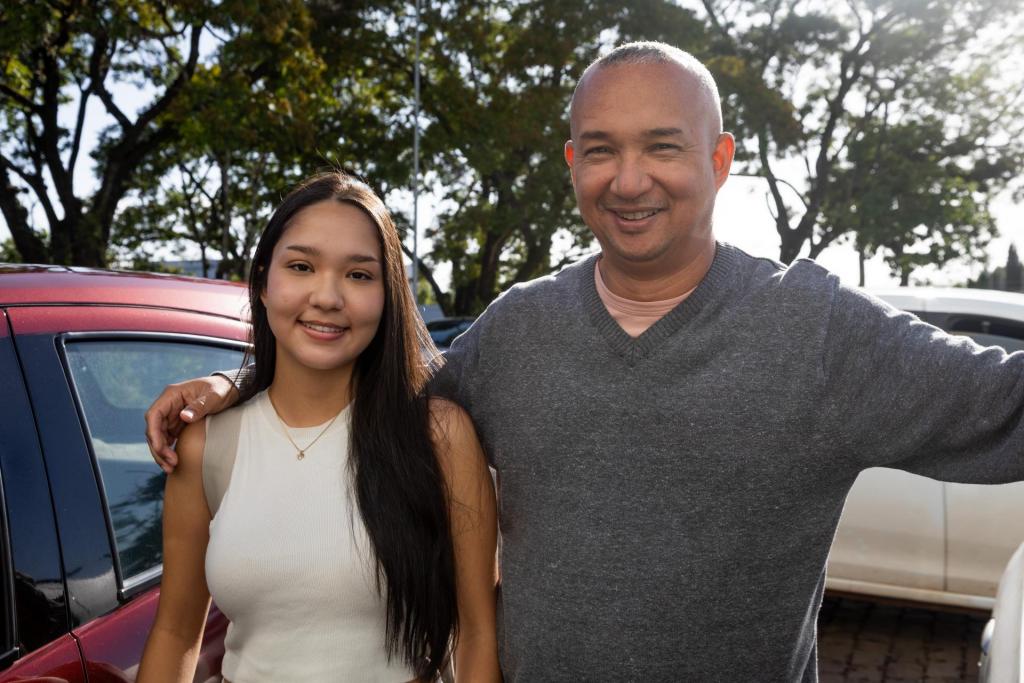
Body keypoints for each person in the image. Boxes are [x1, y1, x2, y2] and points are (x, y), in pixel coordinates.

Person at [144, 43, 1024, 681]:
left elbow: (1005, 407)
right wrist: (236, 386)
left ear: (720, 161)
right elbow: (375, 391)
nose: (628, 177)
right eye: (601, 148)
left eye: (663, 145)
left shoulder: (818, 330)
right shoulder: (518, 329)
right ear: (573, 165)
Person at [137, 172, 499, 682]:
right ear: (264, 281)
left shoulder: (438, 435)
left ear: (387, 295)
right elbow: (175, 633)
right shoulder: (206, 443)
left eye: (359, 275)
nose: (328, 297)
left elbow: (477, 634)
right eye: (302, 266)